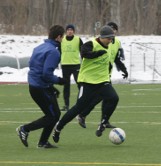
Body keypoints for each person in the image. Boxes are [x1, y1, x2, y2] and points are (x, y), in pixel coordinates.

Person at [52, 25, 119, 143]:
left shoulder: (108, 45)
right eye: (109, 38)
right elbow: (84, 54)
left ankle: (103, 123)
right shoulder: (91, 44)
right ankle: (58, 127)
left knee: (114, 98)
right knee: (78, 108)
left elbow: (107, 62)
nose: (111, 41)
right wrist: (97, 53)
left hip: (102, 81)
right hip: (87, 82)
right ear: (102, 37)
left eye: (112, 39)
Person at [16, 25, 66, 148]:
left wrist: (51, 87)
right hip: (40, 87)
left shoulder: (39, 47)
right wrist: (59, 81)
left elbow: (33, 66)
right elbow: (46, 73)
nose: (63, 39)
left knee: (55, 114)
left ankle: (43, 142)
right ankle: (25, 129)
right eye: (63, 37)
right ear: (59, 37)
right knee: (52, 116)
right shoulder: (53, 51)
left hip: (37, 85)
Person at [76, 22, 128, 129]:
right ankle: (83, 114)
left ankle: (104, 121)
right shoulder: (99, 42)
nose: (112, 31)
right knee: (98, 98)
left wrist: (124, 69)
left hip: (105, 76)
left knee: (108, 98)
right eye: (110, 29)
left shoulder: (117, 43)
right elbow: (87, 53)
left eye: (114, 29)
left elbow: (116, 59)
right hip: (96, 76)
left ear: (116, 32)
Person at [60, 24, 83, 111]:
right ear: (66, 31)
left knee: (80, 85)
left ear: (73, 31)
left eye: (71, 30)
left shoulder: (78, 39)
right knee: (66, 86)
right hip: (65, 65)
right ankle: (66, 105)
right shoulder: (62, 40)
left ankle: (80, 103)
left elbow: (83, 51)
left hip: (75, 65)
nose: (70, 31)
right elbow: (58, 51)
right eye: (68, 30)